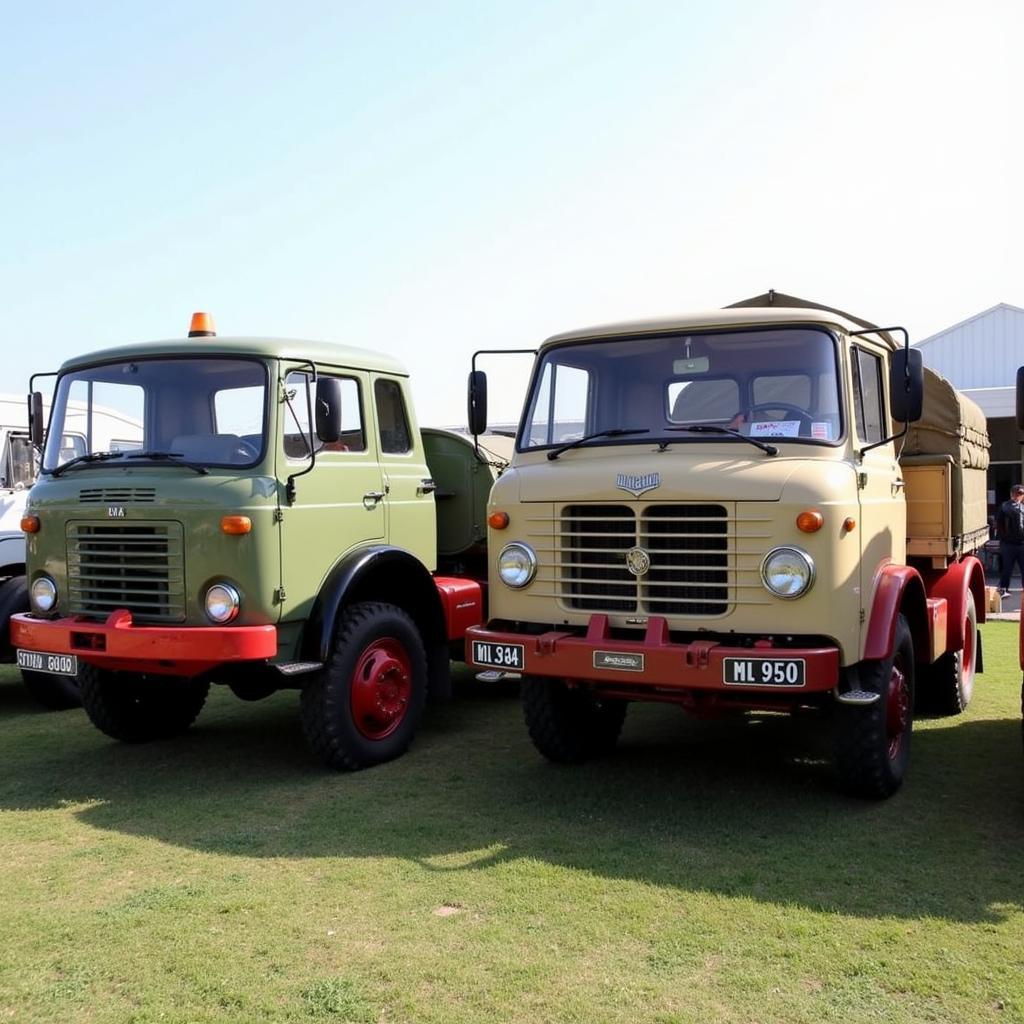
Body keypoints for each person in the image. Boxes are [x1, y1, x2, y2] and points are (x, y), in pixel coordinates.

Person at [996, 484, 1024, 598]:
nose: (1019, 496)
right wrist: (1004, 537)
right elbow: (999, 523)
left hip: (1015, 544)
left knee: (1012, 569)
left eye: (1021, 494)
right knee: (1008, 569)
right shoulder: (1009, 507)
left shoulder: (1019, 507)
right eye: (1018, 494)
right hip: (1012, 544)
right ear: (1013, 494)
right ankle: (1003, 591)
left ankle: (1005, 590)